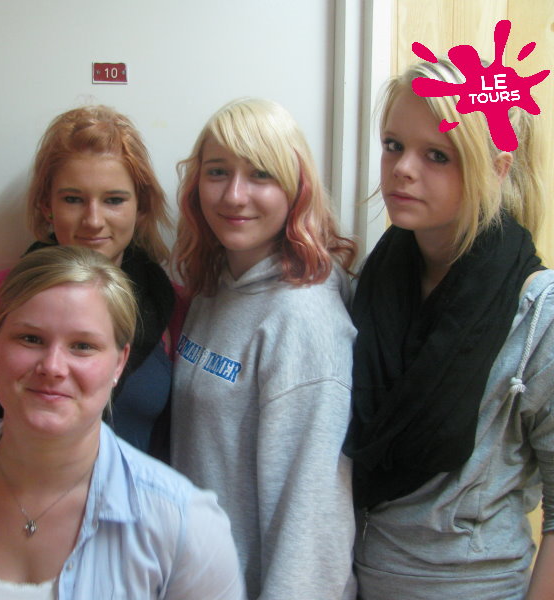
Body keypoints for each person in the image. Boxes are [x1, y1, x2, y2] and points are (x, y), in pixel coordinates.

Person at [0, 245, 246, 599]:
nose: (53, 367)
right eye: (30, 339)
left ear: (119, 364)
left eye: (83, 346)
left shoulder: (186, 527)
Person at [343, 58, 554, 600]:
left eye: (437, 155)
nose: (402, 169)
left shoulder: (545, 312)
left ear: (496, 168)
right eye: (393, 145)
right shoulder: (372, 284)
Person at [171, 98, 358, 599]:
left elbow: (311, 523)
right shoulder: (213, 288)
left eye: (261, 174)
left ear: (296, 189)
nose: (234, 195)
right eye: (217, 171)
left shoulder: (304, 319)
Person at [0, 105, 182, 459]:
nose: (93, 220)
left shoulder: (176, 311)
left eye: (114, 200)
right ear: (47, 205)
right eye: (73, 199)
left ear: (141, 207)